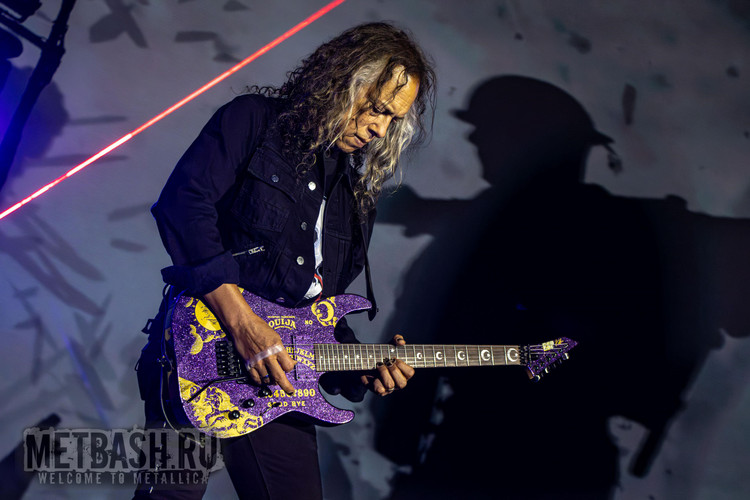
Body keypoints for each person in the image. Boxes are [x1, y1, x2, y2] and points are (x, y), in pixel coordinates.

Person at [134, 22, 436, 499]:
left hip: (281, 381)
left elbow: (319, 310)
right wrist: (243, 324)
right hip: (198, 354)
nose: (380, 128)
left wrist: (362, 366)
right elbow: (182, 206)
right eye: (377, 108)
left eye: (392, 119)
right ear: (344, 81)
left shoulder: (355, 196)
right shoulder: (253, 121)